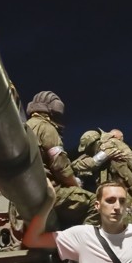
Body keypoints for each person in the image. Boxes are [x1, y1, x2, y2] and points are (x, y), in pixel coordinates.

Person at [24, 90, 96, 228]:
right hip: (49, 191)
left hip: (29, 190)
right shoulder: (47, 128)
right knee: (95, 203)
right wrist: (75, 184)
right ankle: (83, 245)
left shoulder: (26, 127)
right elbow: (61, 167)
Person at [72, 129, 132, 228]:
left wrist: (99, 158)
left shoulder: (110, 144)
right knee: (125, 214)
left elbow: (93, 162)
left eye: (88, 148)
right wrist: (98, 158)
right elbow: (76, 164)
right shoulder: (99, 154)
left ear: (93, 143)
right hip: (122, 189)